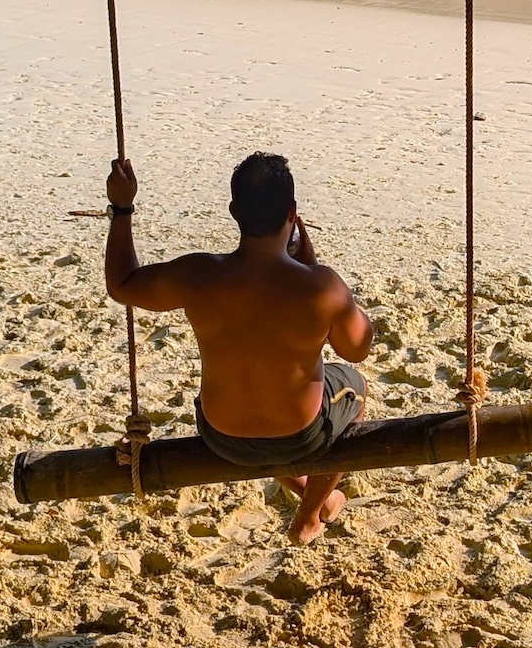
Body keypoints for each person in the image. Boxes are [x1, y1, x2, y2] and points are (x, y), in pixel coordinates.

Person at [104, 151, 374, 543]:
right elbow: (357, 348)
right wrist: (313, 269)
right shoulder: (321, 287)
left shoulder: (199, 275)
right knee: (357, 389)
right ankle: (309, 515)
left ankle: (311, 494)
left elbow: (122, 284)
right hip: (302, 435)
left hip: (220, 434)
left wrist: (122, 207)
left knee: (251, 396)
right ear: (292, 214)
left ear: (234, 211)